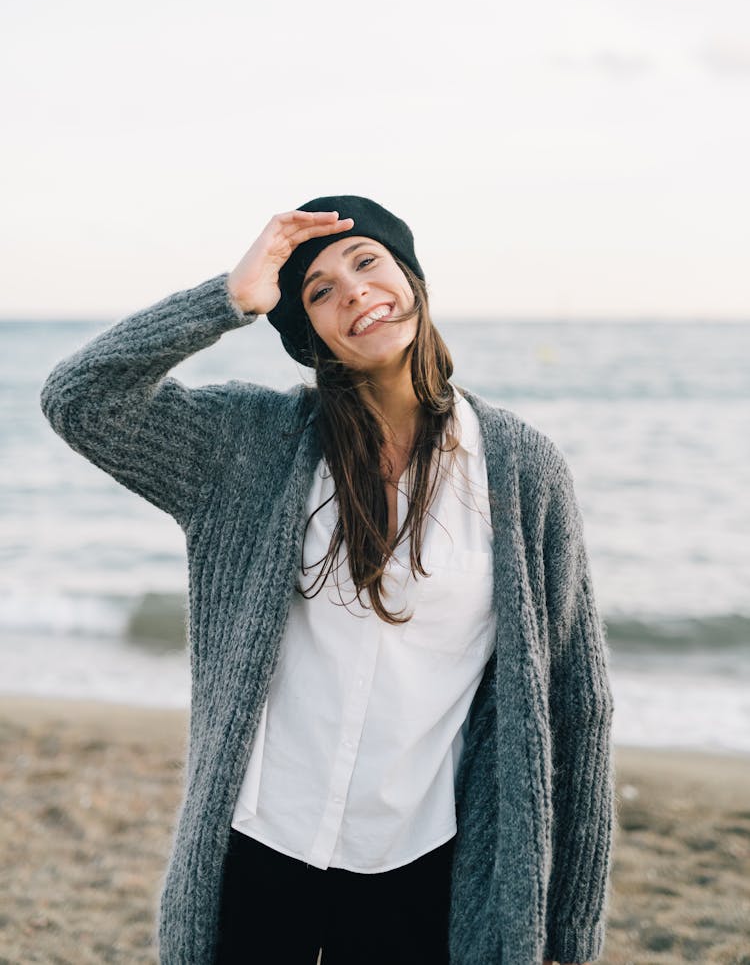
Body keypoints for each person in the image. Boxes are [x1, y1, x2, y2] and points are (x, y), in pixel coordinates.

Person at [39, 195, 616, 965]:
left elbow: (576, 702)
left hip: (420, 854)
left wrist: (569, 938)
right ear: (310, 335)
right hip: (259, 839)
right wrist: (228, 300)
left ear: (410, 277)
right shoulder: (253, 447)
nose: (353, 292)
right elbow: (80, 400)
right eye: (318, 290)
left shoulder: (523, 469)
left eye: (367, 261)